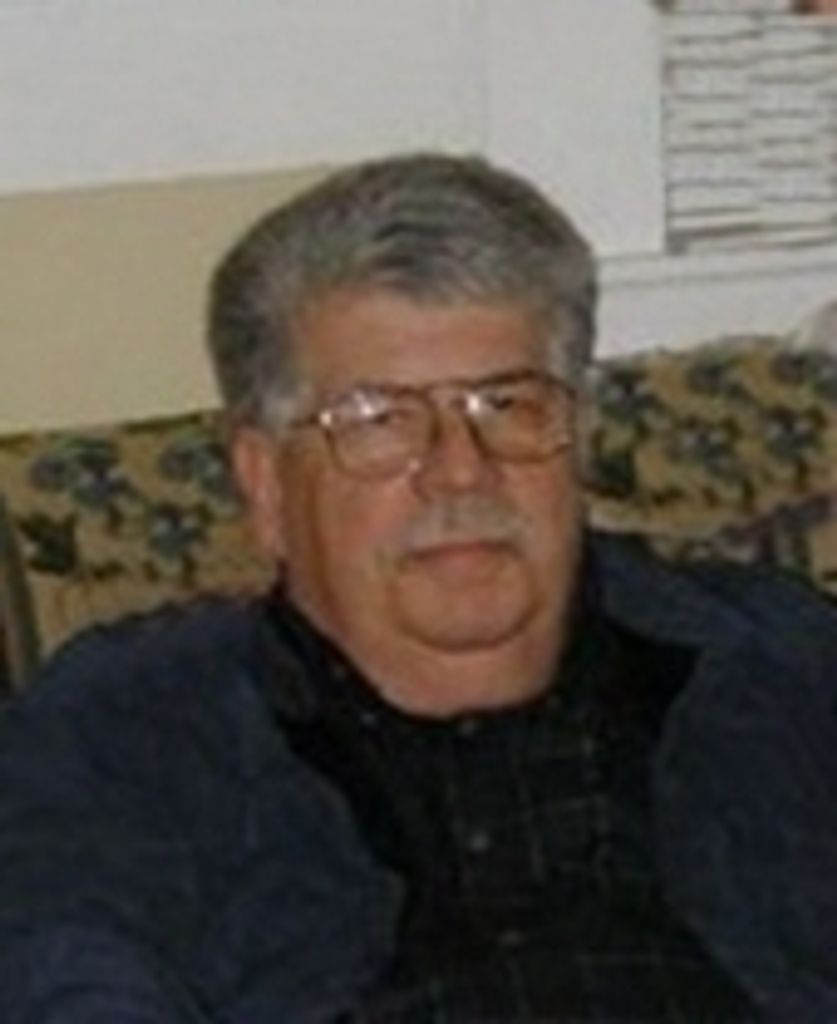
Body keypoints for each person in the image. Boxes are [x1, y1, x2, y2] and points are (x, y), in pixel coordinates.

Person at [0, 153, 835, 1023]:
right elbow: (58, 968)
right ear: (265, 483)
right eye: (380, 421)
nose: (460, 472)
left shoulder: (777, 661)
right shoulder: (125, 731)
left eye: (507, 406)